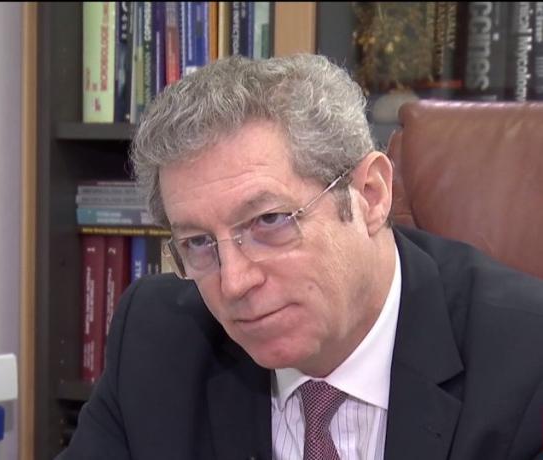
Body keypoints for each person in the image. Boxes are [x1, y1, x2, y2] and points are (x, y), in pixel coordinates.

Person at [58, 54, 543, 460]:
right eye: (199, 242)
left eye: (268, 221)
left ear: (371, 195)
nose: (234, 283)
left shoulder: (526, 366)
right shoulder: (157, 338)